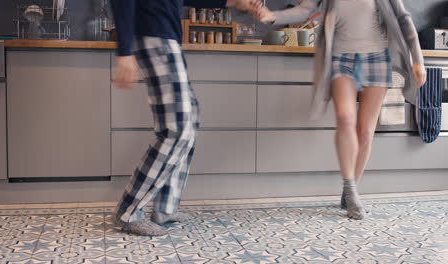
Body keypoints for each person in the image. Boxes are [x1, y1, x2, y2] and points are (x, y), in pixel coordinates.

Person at [252, 0, 426, 219]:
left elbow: (403, 18)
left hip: (377, 59)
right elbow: (305, 10)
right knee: (345, 117)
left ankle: (351, 187)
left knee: (364, 133)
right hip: (341, 59)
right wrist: (271, 16)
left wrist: (417, 58)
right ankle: (351, 189)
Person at [109, 0, 259, 236]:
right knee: (177, 128)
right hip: (154, 35)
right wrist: (124, 52)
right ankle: (129, 211)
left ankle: (166, 208)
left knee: (190, 119)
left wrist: (231, 2)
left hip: (165, 38)